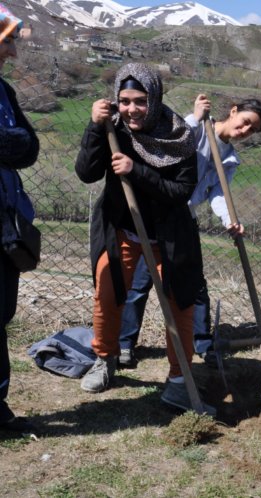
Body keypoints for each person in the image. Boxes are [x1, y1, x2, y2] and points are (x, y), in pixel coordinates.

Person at [75, 63, 209, 413]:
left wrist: (138, 171)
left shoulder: (179, 135)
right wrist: (94, 127)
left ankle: (180, 378)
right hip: (122, 228)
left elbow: (181, 191)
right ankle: (105, 360)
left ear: (155, 98)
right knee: (107, 293)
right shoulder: (112, 129)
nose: (131, 109)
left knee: (179, 303)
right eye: (124, 100)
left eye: (140, 101)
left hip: (170, 236)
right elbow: (87, 173)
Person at [117, 94, 261, 368]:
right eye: (246, 122)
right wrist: (195, 117)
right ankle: (125, 345)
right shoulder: (198, 127)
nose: (245, 131)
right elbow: (168, 142)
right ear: (233, 111)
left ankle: (203, 343)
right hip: (160, 212)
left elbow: (219, 193)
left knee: (196, 286)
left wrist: (229, 220)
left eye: (252, 130)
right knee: (141, 283)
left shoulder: (230, 159)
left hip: (185, 218)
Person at [0, 3, 39, 435]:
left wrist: (10, 141)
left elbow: (29, 148)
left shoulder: (4, 93)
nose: (12, 51)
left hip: (7, 222)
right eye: (8, 39)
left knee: (1, 311)